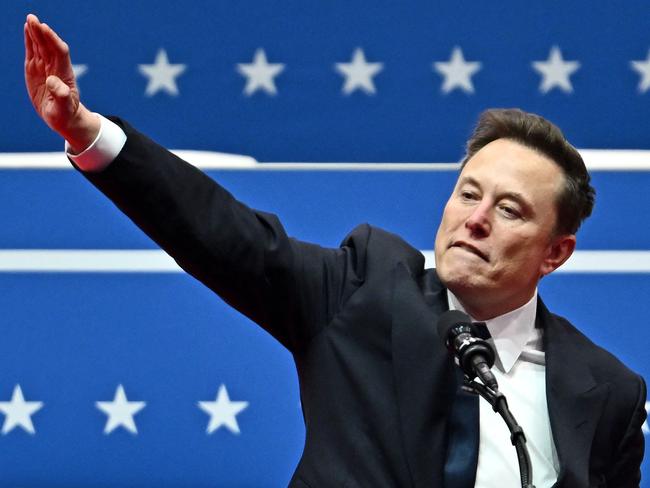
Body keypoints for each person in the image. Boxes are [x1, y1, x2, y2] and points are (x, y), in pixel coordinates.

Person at [24, 13, 646, 488]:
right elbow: (222, 234)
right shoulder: (363, 289)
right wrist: (88, 134)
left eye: (508, 210)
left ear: (556, 253)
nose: (474, 220)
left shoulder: (610, 394)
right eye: (467, 194)